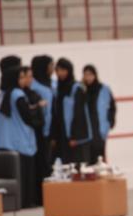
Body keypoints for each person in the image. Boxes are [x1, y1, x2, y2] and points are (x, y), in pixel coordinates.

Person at [0, 65, 39, 208]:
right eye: (20, 77)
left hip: (1, 141)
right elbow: (27, 117)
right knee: (23, 175)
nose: (23, 80)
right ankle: (25, 202)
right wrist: (36, 111)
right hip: (18, 141)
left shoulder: (1, 94)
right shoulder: (17, 94)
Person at [50, 58, 91, 165]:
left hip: (74, 138)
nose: (60, 73)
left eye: (63, 70)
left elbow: (79, 114)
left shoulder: (76, 89)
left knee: (76, 167)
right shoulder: (57, 89)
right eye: (58, 70)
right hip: (61, 136)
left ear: (69, 70)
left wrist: (75, 137)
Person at [19, 66, 47, 206]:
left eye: (30, 76)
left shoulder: (33, 93)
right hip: (27, 137)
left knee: (39, 166)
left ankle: (39, 198)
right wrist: (37, 106)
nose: (29, 80)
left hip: (37, 135)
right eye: (26, 76)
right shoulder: (19, 95)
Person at [82, 65, 116, 164]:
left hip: (100, 128)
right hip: (87, 128)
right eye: (86, 75)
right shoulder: (82, 90)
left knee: (100, 156)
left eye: (90, 74)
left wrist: (110, 122)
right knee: (88, 158)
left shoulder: (104, 89)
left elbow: (112, 107)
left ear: (95, 75)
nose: (88, 77)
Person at [31, 55, 55, 186]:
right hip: (38, 130)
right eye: (50, 65)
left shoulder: (52, 83)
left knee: (49, 162)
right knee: (41, 162)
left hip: (49, 130)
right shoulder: (34, 86)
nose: (53, 69)